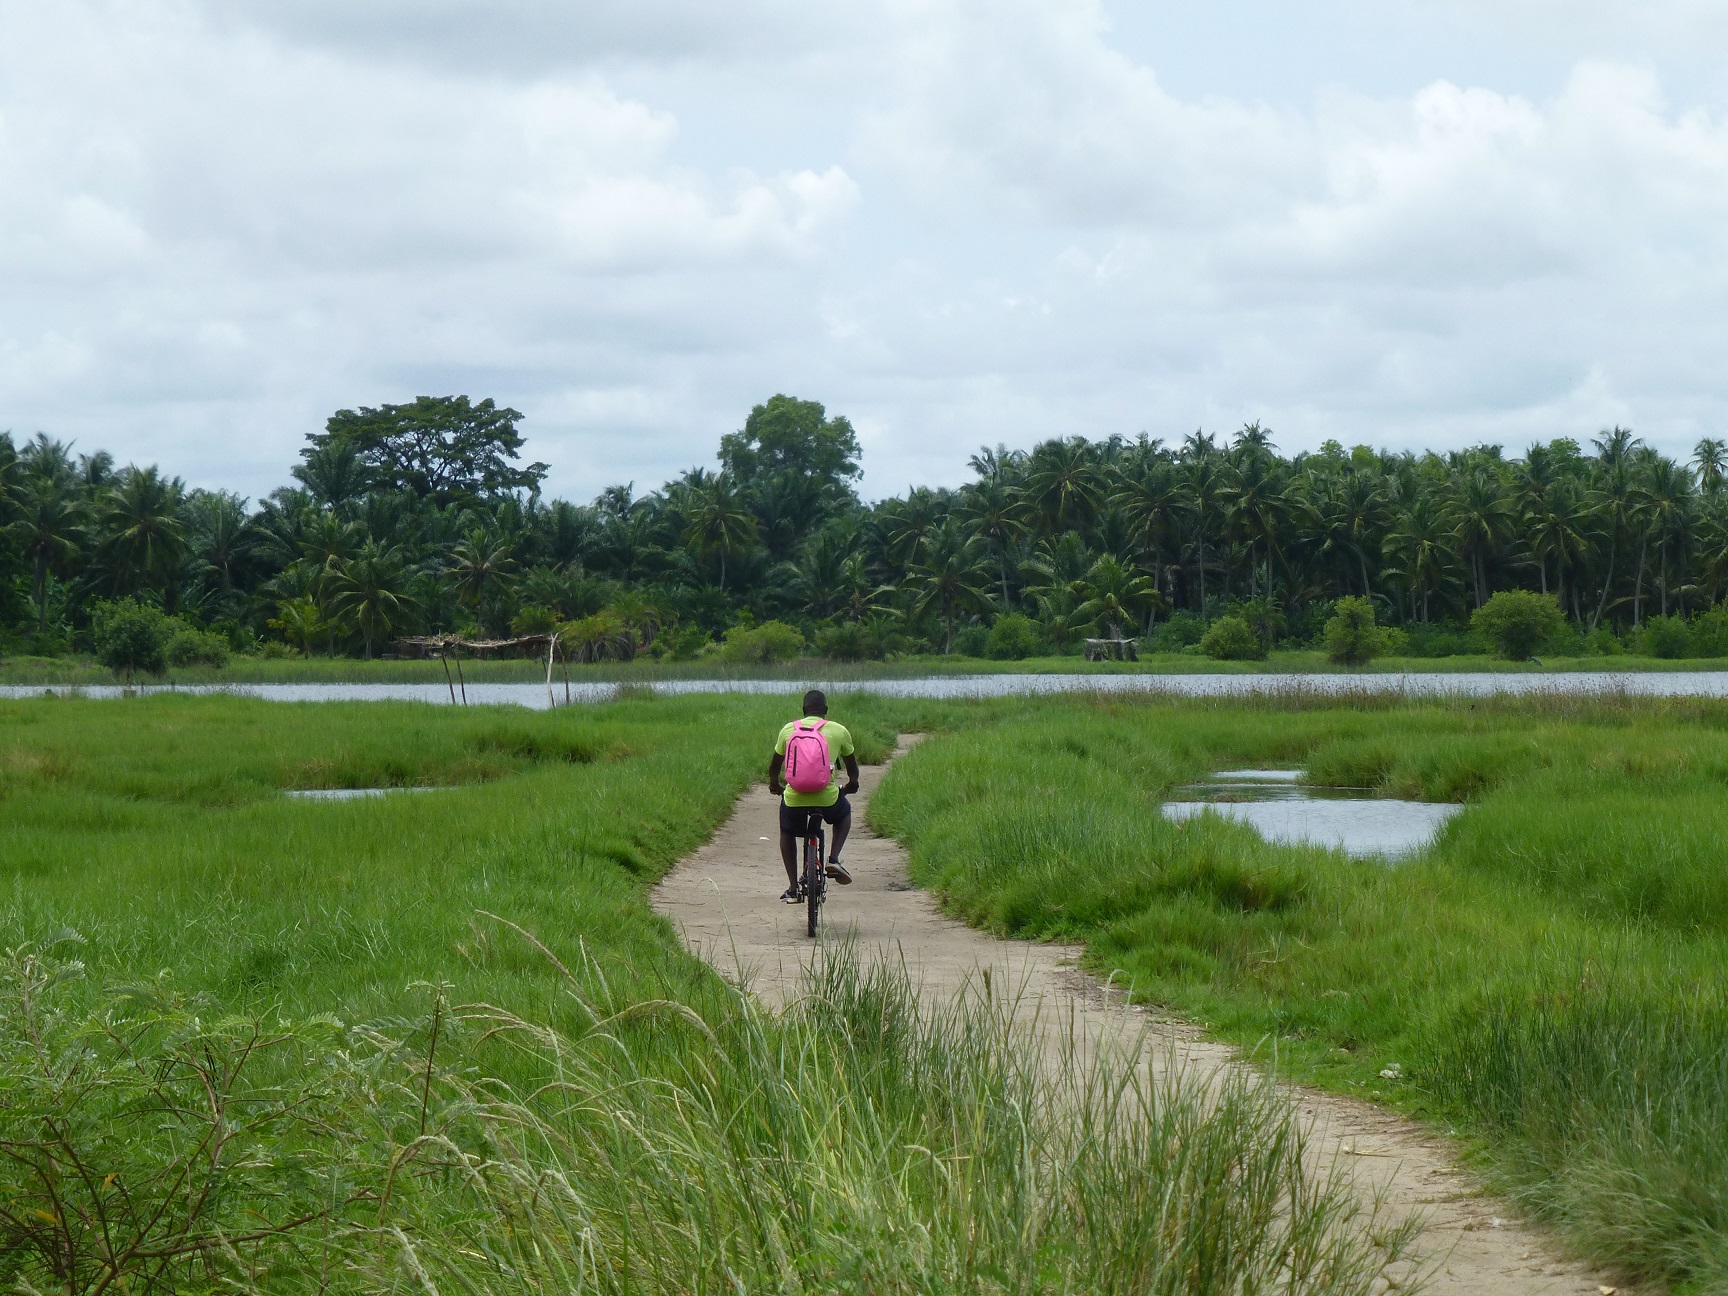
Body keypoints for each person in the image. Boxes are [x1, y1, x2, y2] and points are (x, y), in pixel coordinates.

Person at [767, 689, 860, 903]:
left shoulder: (788, 730)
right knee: (844, 813)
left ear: (803, 710)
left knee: (787, 831)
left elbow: (774, 767)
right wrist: (851, 785)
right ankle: (834, 859)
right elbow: (852, 769)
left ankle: (792, 888)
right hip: (826, 798)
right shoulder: (838, 730)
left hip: (795, 798)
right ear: (826, 710)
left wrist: (775, 785)